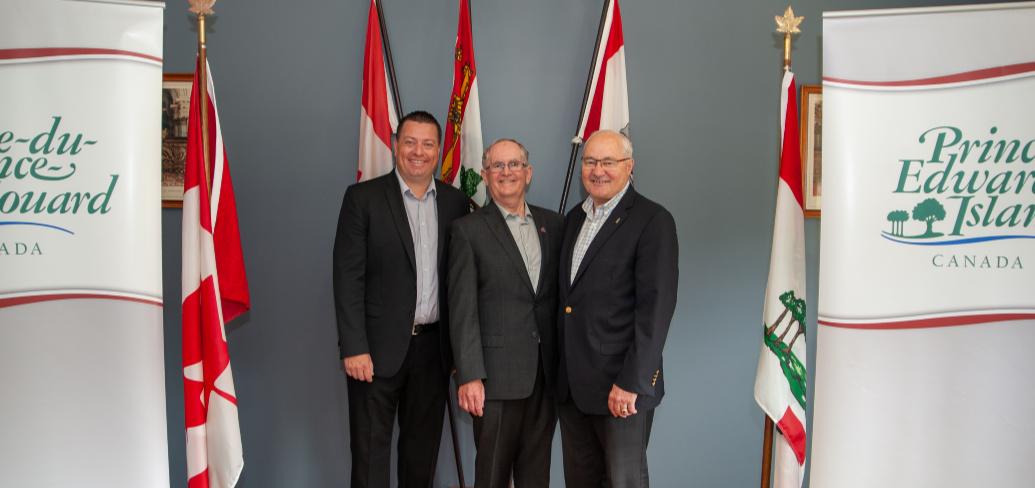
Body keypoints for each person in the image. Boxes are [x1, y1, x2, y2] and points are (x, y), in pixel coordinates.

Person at [333, 110, 470, 488]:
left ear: (438, 150)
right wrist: (354, 347)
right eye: (410, 142)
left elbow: (459, 281)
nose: (418, 152)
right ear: (395, 146)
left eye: (427, 144)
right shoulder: (363, 198)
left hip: (433, 352)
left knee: (421, 459)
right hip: (374, 353)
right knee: (370, 459)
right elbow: (347, 277)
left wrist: (459, 353)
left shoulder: (455, 202)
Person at [556, 129, 679, 488]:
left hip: (621, 389)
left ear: (629, 166)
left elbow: (656, 310)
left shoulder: (652, 221)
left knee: (624, 482)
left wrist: (632, 382)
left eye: (608, 162)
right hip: (573, 389)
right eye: (590, 161)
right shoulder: (574, 219)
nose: (598, 171)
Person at [448, 139, 563, 488]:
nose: (506, 172)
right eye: (497, 166)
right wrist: (469, 375)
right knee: (492, 477)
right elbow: (462, 309)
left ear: (528, 173)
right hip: (494, 381)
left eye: (514, 164)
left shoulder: (554, 225)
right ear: (485, 175)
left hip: (545, 377)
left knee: (536, 476)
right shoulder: (467, 230)